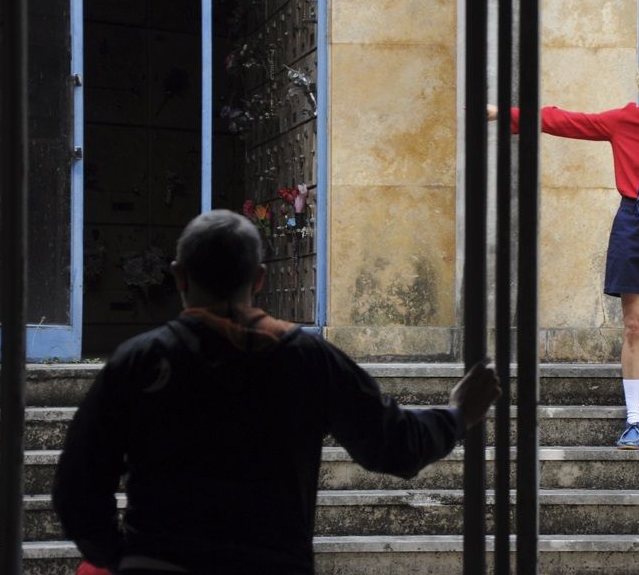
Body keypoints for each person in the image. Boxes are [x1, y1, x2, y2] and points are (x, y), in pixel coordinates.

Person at [52, 209, 501, 574]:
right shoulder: (307, 359)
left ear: (178, 277)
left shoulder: (139, 361)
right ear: (261, 278)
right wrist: (458, 414)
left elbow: (77, 488)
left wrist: (125, 558)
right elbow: (392, 445)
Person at [488, 55, 639, 450]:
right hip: (633, 225)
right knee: (634, 325)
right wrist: (499, 113)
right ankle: (632, 421)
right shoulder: (623, 122)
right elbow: (565, 120)